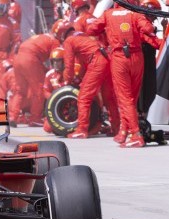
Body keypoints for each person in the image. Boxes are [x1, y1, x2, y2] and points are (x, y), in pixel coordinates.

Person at [87, 0, 161, 147]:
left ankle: (135, 135)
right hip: (137, 58)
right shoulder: (136, 13)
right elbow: (148, 28)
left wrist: (107, 29)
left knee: (125, 98)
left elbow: (91, 30)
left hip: (120, 58)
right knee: (131, 99)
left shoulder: (108, 14)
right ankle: (124, 131)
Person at [57, 19, 120, 138]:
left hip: (97, 61)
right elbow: (83, 63)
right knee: (109, 98)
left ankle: (81, 130)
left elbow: (69, 66)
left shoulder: (69, 41)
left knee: (83, 97)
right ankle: (116, 128)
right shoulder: (83, 36)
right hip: (108, 59)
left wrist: (67, 81)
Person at [12, 23, 60, 126]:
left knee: (20, 91)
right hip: (30, 59)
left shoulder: (42, 36)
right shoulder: (55, 41)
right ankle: (35, 118)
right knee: (38, 89)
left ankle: (13, 116)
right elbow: (55, 61)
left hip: (18, 58)